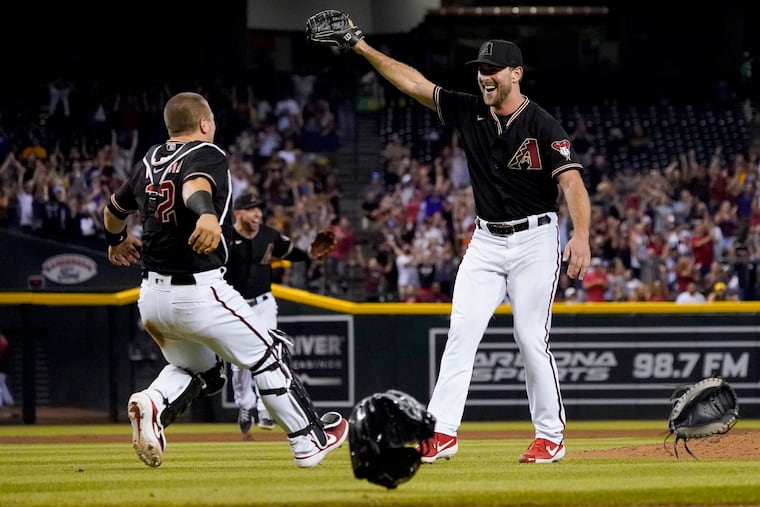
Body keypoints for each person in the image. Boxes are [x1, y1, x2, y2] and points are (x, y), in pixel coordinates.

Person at [325, 22, 592, 464]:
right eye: (480, 69)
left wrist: (580, 236)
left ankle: (550, 435)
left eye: (494, 69)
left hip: (535, 240)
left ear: (516, 73)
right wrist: (360, 45)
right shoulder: (469, 110)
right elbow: (412, 82)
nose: (485, 76)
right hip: (486, 240)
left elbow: (573, 185)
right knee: (461, 333)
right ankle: (442, 433)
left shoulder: (543, 124)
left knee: (529, 337)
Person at [102, 91, 348, 468]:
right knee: (270, 353)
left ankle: (153, 402)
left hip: (151, 296)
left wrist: (116, 240)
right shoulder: (208, 152)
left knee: (202, 371)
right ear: (203, 123)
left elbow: (114, 210)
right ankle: (309, 440)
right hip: (197, 290)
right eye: (212, 119)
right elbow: (195, 186)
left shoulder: (148, 160)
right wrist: (204, 215)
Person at [225, 192, 323, 437]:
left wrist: (310, 254)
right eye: (251, 209)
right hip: (235, 305)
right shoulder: (224, 236)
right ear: (238, 213)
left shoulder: (269, 235)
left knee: (270, 351)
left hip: (263, 303)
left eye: (259, 208)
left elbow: (291, 252)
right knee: (239, 365)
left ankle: (265, 407)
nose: (257, 213)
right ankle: (246, 405)